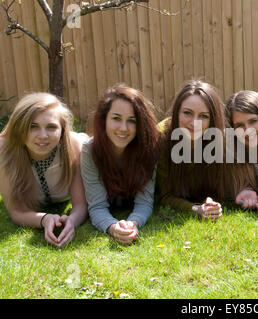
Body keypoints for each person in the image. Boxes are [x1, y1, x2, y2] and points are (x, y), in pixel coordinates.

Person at [0, 92, 88, 247]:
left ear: (62, 131)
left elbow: (80, 205)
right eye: (33, 126)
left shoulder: (75, 146)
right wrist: (44, 219)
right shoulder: (4, 150)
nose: (43, 136)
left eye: (51, 127)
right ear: (19, 127)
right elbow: (16, 211)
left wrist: (71, 222)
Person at [81, 84, 159, 244]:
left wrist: (133, 223)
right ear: (104, 120)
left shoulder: (149, 150)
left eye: (131, 120)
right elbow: (96, 206)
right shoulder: (89, 151)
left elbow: (144, 201)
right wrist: (112, 227)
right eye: (116, 118)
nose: (123, 128)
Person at [156, 80, 227, 222]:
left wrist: (210, 202)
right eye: (187, 113)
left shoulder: (218, 138)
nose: (195, 123)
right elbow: (164, 196)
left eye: (203, 116)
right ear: (177, 113)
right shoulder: (161, 137)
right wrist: (195, 209)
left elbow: (216, 188)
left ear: (212, 120)